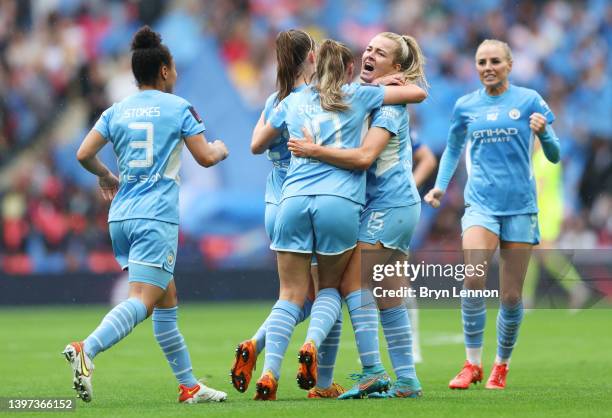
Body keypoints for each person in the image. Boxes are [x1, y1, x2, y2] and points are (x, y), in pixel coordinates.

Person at [250, 39, 426, 400]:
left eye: (380, 53)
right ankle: (407, 381)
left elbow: (364, 158)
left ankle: (373, 372)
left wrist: (313, 150)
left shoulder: (387, 106)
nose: (369, 55)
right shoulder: (361, 95)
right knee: (388, 293)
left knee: (347, 283)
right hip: (375, 205)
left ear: (395, 67)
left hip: (388, 204)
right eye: (369, 49)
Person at [63, 26, 229, 404]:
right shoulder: (179, 107)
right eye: (174, 68)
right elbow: (204, 158)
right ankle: (86, 349)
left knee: (166, 298)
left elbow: (83, 154)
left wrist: (106, 175)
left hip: (122, 215)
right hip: (156, 217)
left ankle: (189, 386)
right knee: (142, 299)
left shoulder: (115, 110)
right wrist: (219, 148)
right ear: (165, 71)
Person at [423, 39, 560, 390]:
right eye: (482, 61)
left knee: (511, 296)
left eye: (495, 61)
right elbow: (453, 148)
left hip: (520, 206)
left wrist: (543, 135)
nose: (488, 67)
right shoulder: (466, 105)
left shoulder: (529, 100)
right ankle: (472, 364)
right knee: (472, 279)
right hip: (480, 204)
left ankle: (501, 364)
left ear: (509, 65)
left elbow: (555, 154)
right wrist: (440, 185)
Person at [230, 29, 345, 400]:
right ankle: (323, 382)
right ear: (312, 57)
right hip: (311, 199)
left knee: (294, 295)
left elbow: (254, 145)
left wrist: (273, 117)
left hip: (276, 206)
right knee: (327, 293)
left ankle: (263, 362)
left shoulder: (276, 101)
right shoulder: (313, 99)